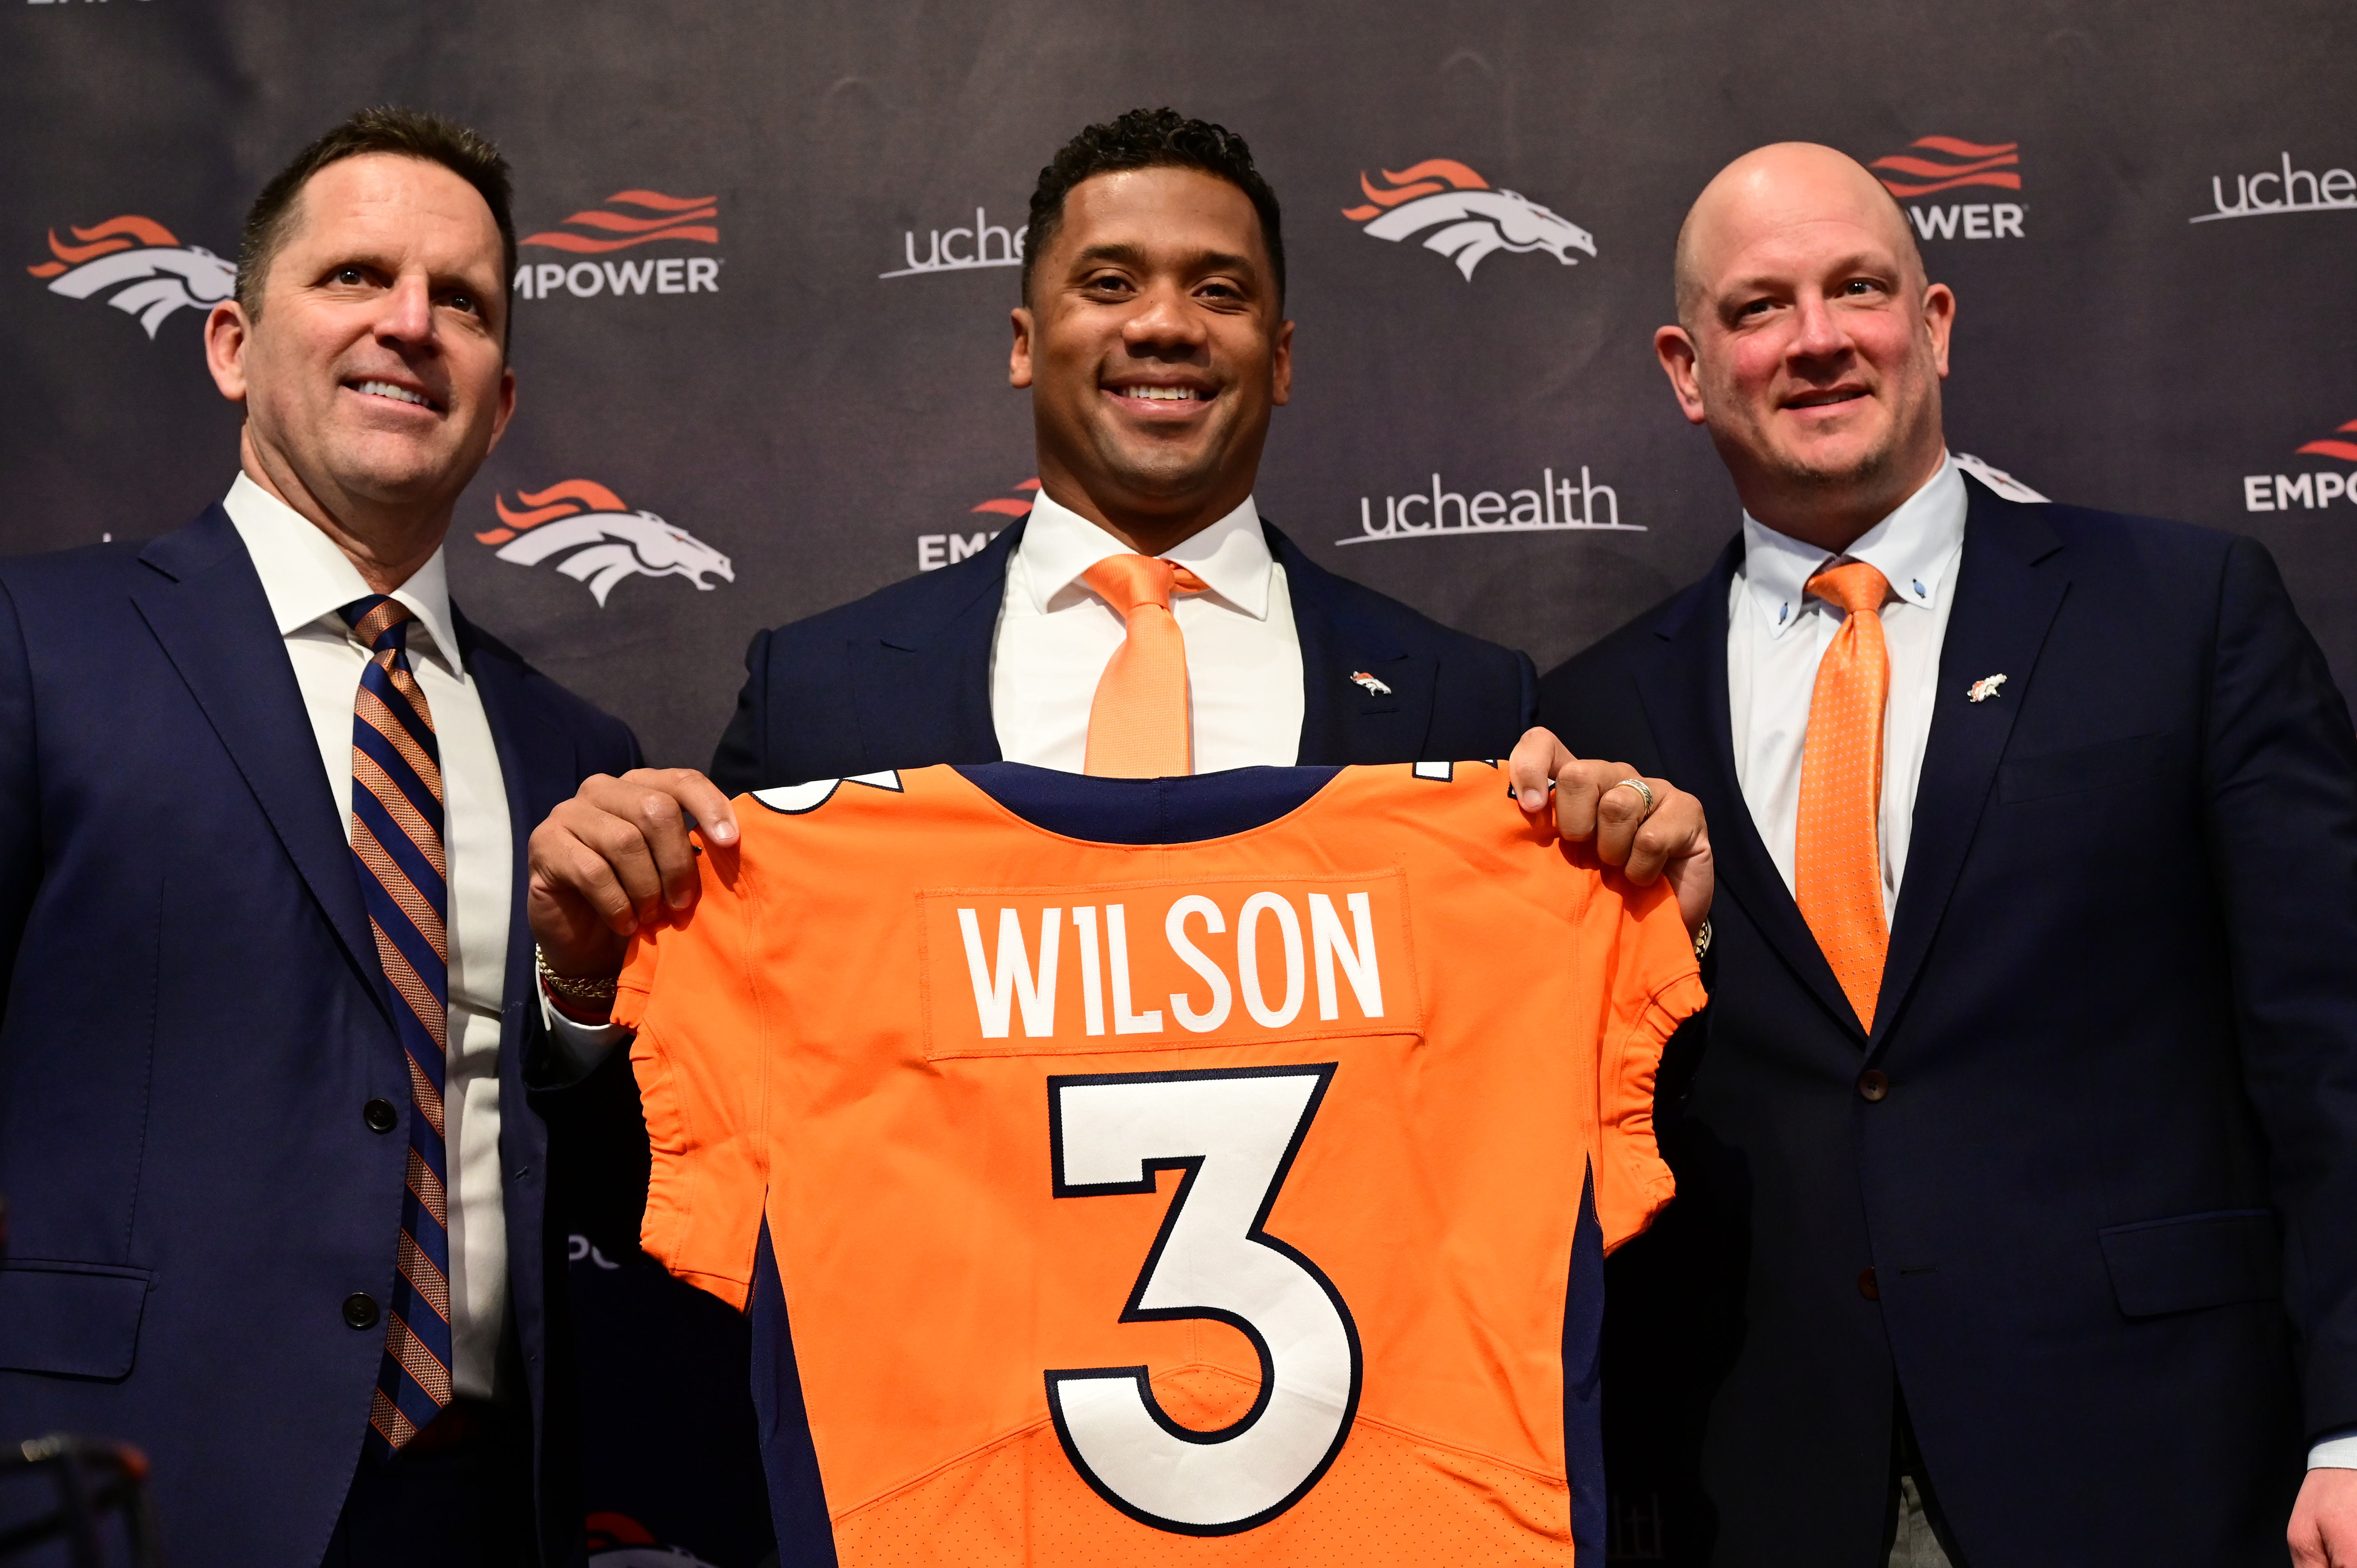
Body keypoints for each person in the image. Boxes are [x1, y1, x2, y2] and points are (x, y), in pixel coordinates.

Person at [520, 108, 1714, 1542]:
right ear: (1025, 338)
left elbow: (1561, 1188)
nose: (1166, 325)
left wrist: (1648, 925)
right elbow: (678, 1166)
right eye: (1110, 283)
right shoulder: (824, 694)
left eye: (1219, 290)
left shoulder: (1466, 707)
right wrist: (591, 984)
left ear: (1280, 359)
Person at [1532, 141, 2357, 1566]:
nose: (1818, 341)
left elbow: (2333, 1043)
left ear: (1935, 324)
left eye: (1860, 289)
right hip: (1761, 1483)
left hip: (2163, 1465)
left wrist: (2353, 1422)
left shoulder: (2184, 610)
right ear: (1685, 366)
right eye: (1759, 308)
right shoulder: (1598, 713)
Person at [0, 108, 639, 1566]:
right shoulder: (37, 648)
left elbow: (611, 1186)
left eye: (462, 302)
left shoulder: (576, 754)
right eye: (355, 277)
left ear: (502, 396)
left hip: (484, 1507)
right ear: (233, 344)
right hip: (120, 1498)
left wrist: (587, 1006)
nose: (410, 325)